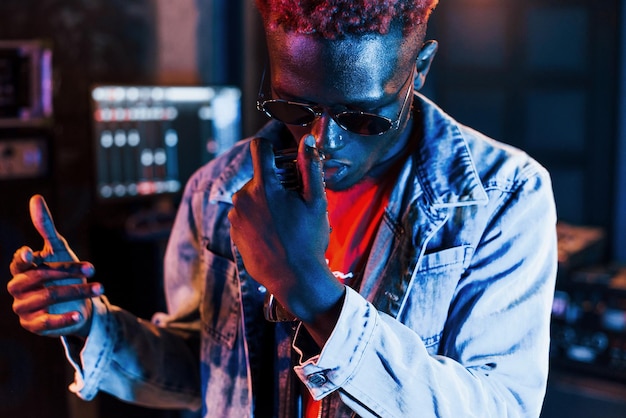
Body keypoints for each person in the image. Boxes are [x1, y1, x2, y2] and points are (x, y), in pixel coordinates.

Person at [7, 0, 559, 417]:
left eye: (362, 117)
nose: (323, 144)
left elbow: (500, 406)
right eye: (295, 106)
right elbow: (203, 371)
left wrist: (312, 295)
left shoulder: (504, 196)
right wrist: (89, 327)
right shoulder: (219, 189)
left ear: (422, 67)